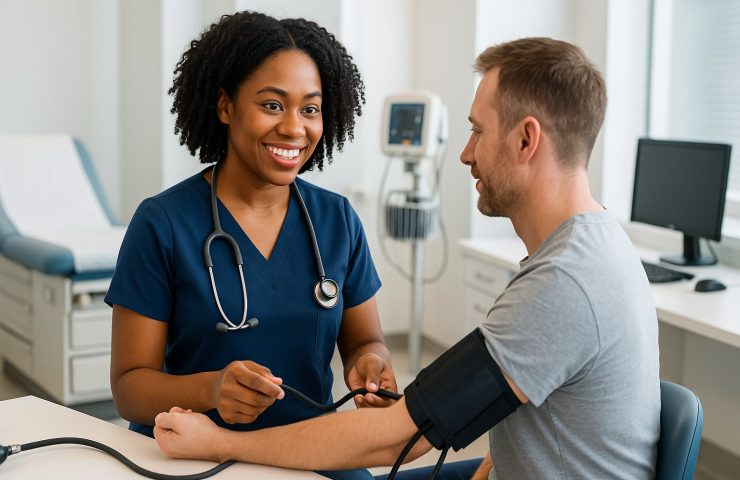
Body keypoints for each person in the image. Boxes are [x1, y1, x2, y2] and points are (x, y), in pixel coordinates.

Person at [152, 37, 661, 479]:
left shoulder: (564, 283)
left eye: (478, 131)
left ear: (527, 139)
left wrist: (219, 443)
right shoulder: (591, 247)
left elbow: (399, 438)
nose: (465, 153)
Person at [105, 11, 398, 480]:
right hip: (196, 455)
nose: (294, 129)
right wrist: (212, 390)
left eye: (310, 108)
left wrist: (371, 363)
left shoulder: (336, 219)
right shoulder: (163, 223)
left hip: (308, 451)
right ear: (225, 106)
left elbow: (366, 340)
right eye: (272, 105)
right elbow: (128, 387)